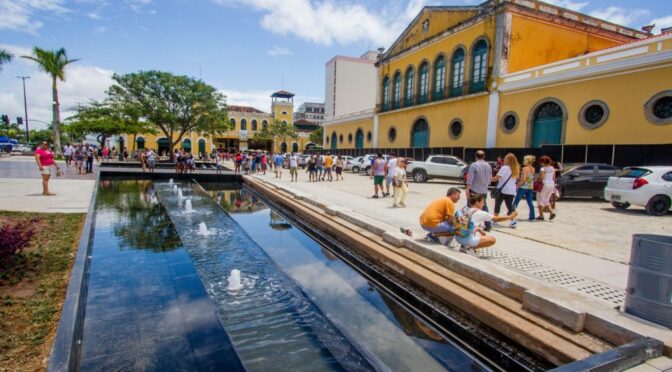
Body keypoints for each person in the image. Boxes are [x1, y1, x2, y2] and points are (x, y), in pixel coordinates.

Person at [466, 150, 493, 231]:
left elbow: (470, 178)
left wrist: (468, 189)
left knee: (470, 207)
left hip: (474, 190)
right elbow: (490, 179)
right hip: (484, 190)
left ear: (476, 156)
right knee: (484, 206)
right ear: (484, 156)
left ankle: (468, 224)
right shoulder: (488, 166)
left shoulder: (473, 165)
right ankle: (488, 225)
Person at [491, 153, 519, 227]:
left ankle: (495, 219)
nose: (504, 159)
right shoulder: (515, 168)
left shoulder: (504, 168)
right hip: (511, 190)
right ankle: (513, 221)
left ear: (508, 160)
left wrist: (487, 179)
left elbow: (497, 178)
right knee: (509, 205)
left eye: (505, 158)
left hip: (503, 189)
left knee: (498, 204)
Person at [514, 155, 536, 221]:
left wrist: (518, 184)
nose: (523, 161)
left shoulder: (524, 169)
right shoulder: (533, 168)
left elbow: (523, 178)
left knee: (516, 201)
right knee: (530, 202)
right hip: (530, 187)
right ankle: (532, 217)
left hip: (523, 187)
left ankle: (511, 213)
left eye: (524, 160)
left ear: (527, 161)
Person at [537, 156, 557, 221]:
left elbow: (542, 177)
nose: (540, 163)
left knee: (539, 198)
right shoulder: (552, 168)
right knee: (546, 199)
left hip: (544, 184)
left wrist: (537, 179)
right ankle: (551, 212)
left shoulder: (543, 168)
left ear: (543, 162)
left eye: (541, 162)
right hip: (551, 184)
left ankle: (541, 215)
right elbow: (553, 177)